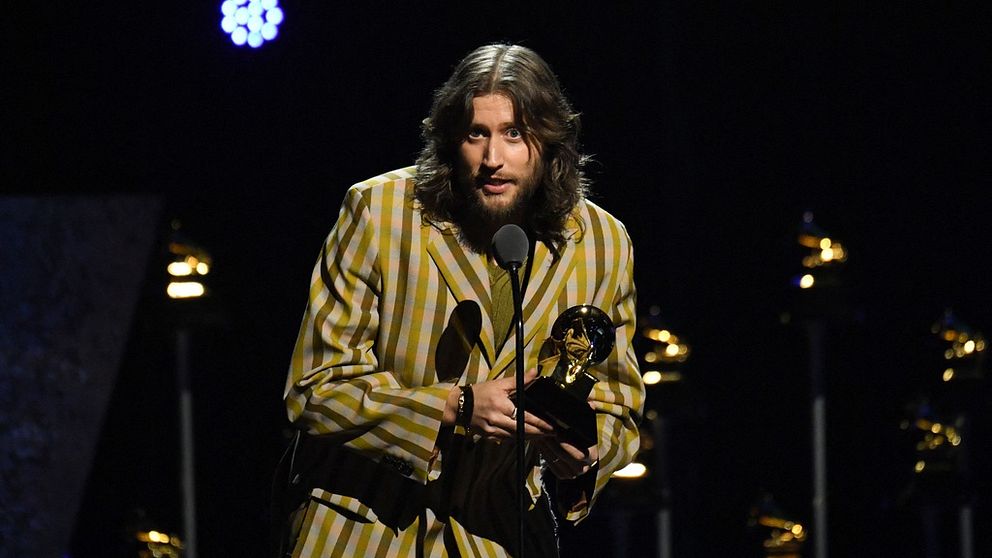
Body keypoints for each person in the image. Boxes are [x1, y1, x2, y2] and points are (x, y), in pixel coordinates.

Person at [277, 43, 644, 557]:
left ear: (551, 139)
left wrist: (584, 452)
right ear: (452, 139)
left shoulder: (604, 242)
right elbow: (314, 389)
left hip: (499, 533)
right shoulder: (379, 213)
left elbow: (619, 406)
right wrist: (454, 405)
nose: (493, 160)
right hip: (363, 527)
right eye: (477, 134)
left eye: (515, 134)